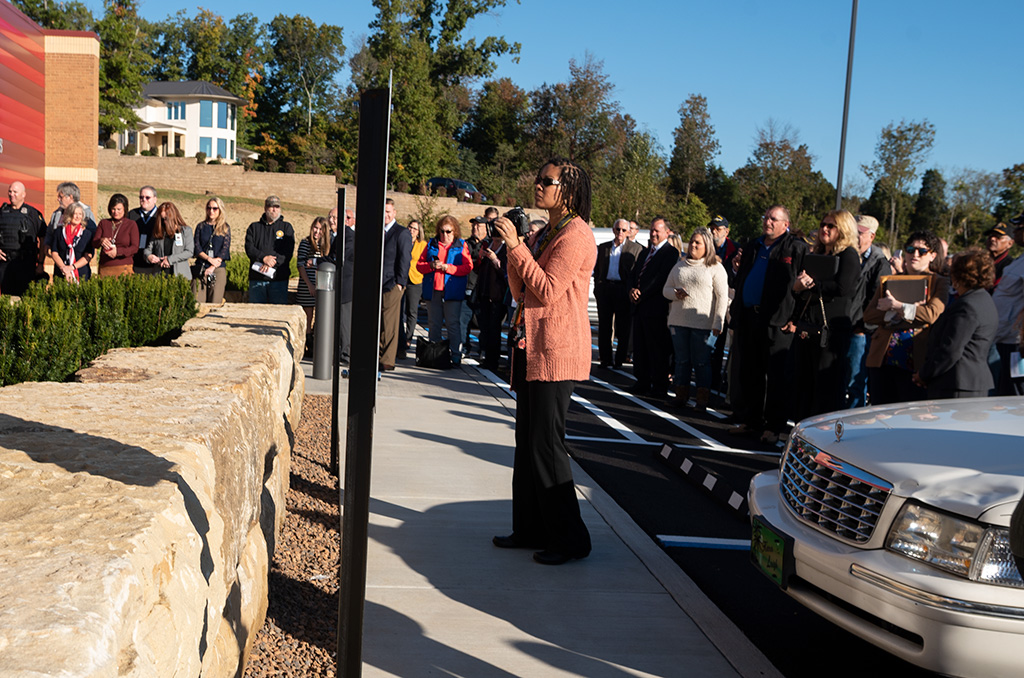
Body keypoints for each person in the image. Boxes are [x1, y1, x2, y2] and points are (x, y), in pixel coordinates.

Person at [491, 156, 596, 566]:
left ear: (567, 190)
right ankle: (530, 529)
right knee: (527, 443)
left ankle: (571, 540)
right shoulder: (548, 232)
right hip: (532, 348)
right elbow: (521, 290)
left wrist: (518, 247)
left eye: (547, 181)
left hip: (557, 351)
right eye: (538, 178)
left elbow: (549, 290)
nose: (538, 184)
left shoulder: (576, 235)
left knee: (547, 445)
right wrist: (514, 248)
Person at [729, 205, 807, 444]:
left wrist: (795, 319)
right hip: (749, 317)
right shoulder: (753, 245)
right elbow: (741, 278)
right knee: (749, 372)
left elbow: (803, 287)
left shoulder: (796, 248)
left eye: (774, 219)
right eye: (766, 217)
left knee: (776, 377)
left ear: (786, 224)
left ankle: (773, 427)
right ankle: (751, 421)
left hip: (777, 322)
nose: (768, 222)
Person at [862, 230, 948, 405]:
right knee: (880, 411)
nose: (915, 255)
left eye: (922, 251)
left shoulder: (939, 282)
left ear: (932, 256)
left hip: (915, 360)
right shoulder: (890, 280)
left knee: (910, 411)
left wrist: (898, 306)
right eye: (910, 250)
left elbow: (931, 314)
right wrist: (894, 316)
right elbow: (869, 315)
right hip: (883, 358)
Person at [788, 209, 860, 419]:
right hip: (808, 328)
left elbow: (843, 288)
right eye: (822, 225)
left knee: (826, 389)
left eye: (831, 226)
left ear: (843, 229)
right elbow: (804, 291)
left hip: (831, 332)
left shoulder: (848, 255)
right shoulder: (817, 255)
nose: (824, 229)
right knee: (804, 385)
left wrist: (812, 284)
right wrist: (799, 289)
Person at [661, 227, 728, 411]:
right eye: (692, 241)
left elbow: (722, 297)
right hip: (678, 321)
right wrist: (675, 293)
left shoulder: (715, 268)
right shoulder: (679, 266)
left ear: (707, 246)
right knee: (681, 361)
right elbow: (665, 290)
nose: (693, 245)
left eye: (698, 242)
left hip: (703, 324)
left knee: (701, 362)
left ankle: (702, 399)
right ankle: (680, 396)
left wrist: (718, 321)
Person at [918, 248, 998, 399]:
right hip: (971, 382)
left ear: (958, 275)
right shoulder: (985, 299)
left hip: (957, 384)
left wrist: (924, 374)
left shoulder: (966, 306)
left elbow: (951, 350)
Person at [627, 217, 680, 398]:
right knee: (640, 346)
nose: (653, 234)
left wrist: (641, 293)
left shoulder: (670, 253)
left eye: (657, 230)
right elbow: (633, 274)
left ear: (667, 232)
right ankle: (642, 381)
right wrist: (631, 290)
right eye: (651, 230)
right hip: (639, 307)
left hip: (656, 307)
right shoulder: (644, 252)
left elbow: (660, 279)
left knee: (657, 348)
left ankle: (659, 385)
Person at [844, 215, 891, 408]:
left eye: (860, 233)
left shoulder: (880, 264)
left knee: (855, 382)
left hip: (860, 333)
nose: (855, 236)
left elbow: (878, 300)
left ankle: (854, 422)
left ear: (872, 236)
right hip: (841, 327)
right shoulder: (846, 255)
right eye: (853, 231)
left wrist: (863, 328)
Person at [416, 215, 473, 364]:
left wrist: (448, 268)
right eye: (442, 231)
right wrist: (431, 266)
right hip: (433, 290)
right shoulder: (431, 244)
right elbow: (419, 265)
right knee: (434, 323)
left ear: (455, 231)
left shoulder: (461, 245)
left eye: (448, 231)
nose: (445, 235)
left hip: (452, 291)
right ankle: (434, 353)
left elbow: (468, 267)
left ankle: (456, 355)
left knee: (452, 323)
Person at [593, 218, 642, 368]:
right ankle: (605, 359)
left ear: (628, 232)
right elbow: (597, 270)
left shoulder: (635, 249)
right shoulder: (604, 247)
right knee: (604, 326)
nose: (620, 232)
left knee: (623, 327)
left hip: (623, 290)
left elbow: (636, 272)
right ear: (613, 230)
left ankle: (620, 359)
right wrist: (598, 288)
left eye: (623, 230)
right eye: (618, 229)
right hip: (605, 289)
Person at [991, 214, 1024, 395]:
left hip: (1016, 345)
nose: (1016, 231)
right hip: (1003, 339)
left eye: (1020, 227)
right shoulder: (1020, 260)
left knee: (1016, 396)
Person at [380, 198, 412, 371]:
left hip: (392, 283)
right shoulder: (378, 231)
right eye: (383, 211)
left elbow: (405, 259)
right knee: (379, 322)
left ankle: (388, 360)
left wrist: (400, 282)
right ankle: (378, 355)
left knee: (390, 323)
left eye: (388, 211)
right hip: (378, 284)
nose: (385, 215)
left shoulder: (402, 233)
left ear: (394, 213)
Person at [245, 195, 294, 304]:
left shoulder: (286, 227)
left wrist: (272, 263)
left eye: (277, 207)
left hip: (278, 280)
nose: (274, 209)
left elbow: (287, 251)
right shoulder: (254, 227)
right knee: (256, 312)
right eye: (271, 207)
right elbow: (249, 248)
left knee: (278, 312)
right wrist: (263, 258)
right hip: (257, 279)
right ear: (265, 208)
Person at [0, 180, 47, 295]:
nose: (11, 194)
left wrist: (40, 263)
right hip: (5, 263)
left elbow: (43, 239)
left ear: (23, 194)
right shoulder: (2, 212)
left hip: (26, 263)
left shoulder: (33, 214)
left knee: (25, 297)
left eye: (15, 192)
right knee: (6, 297)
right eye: (10, 191)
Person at [708, 215, 737, 393]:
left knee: (726, 342)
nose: (714, 232)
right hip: (709, 300)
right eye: (712, 228)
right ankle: (711, 380)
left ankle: (721, 380)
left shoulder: (735, 249)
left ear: (726, 231)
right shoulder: (705, 246)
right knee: (712, 343)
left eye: (718, 229)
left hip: (728, 300)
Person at [474, 222, 509, 371]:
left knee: (494, 329)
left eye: (498, 235)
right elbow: (477, 269)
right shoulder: (486, 245)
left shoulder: (506, 249)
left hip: (497, 296)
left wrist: (495, 260)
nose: (495, 238)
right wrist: (481, 258)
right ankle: (486, 357)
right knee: (484, 328)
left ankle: (492, 361)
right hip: (484, 292)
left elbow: (506, 273)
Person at [295, 217, 330, 337]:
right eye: (315, 228)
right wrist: (309, 285)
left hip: (322, 284)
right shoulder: (306, 243)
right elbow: (300, 265)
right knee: (307, 316)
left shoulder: (328, 245)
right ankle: (307, 339)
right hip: (307, 286)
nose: (317, 231)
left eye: (320, 229)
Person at [192, 197, 231, 304]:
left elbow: (225, 249)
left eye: (215, 208)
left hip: (218, 269)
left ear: (220, 210)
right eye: (209, 208)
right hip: (201, 268)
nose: (211, 211)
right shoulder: (200, 226)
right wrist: (209, 259)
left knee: (215, 303)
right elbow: (197, 246)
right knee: (197, 303)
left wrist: (213, 266)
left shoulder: (225, 228)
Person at [143, 202, 194, 279]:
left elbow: (189, 252)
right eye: (162, 219)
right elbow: (148, 250)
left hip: (180, 276)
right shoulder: (158, 231)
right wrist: (149, 256)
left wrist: (170, 259)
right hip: (160, 275)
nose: (164, 222)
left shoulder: (186, 231)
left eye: (166, 219)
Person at [93, 193, 139, 278]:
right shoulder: (104, 223)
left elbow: (134, 248)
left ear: (125, 209)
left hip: (124, 267)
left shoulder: (131, 224)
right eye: (113, 209)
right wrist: (101, 240)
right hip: (105, 267)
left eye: (119, 209)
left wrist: (118, 252)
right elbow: (94, 243)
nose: (116, 212)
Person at [47, 202, 94, 282]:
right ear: (69, 215)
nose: (77, 216)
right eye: (75, 214)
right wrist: (64, 268)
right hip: (61, 273)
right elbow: (54, 252)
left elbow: (88, 255)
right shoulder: (59, 232)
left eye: (80, 214)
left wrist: (72, 267)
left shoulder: (87, 234)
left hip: (81, 275)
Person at [401, 219, 427, 357]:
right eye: (410, 227)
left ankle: (408, 338)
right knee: (399, 311)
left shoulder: (422, 245)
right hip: (401, 278)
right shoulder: (403, 240)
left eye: (414, 229)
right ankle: (399, 338)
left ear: (419, 232)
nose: (411, 230)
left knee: (411, 311)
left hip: (415, 280)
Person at [128, 185, 159, 275]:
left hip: (154, 263)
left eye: (147, 197)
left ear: (155, 199)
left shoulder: (160, 216)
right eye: (141, 197)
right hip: (135, 262)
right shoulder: (132, 214)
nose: (144, 199)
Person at [985, 223, 1015, 288]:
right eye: (990, 235)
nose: (992, 239)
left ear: (1010, 243)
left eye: (998, 237)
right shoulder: (979, 262)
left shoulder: (1011, 266)